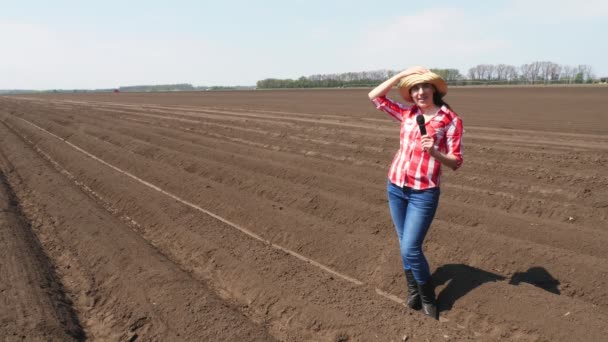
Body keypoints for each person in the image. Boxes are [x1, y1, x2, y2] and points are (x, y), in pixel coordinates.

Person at [368, 66, 464, 320]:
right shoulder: (408, 114)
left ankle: (428, 295)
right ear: (410, 93)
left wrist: (435, 153)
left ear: (434, 89)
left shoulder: (450, 120)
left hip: (424, 192)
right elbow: (374, 97)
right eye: (415, 88)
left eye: (425, 86)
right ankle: (413, 290)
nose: (420, 92)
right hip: (396, 185)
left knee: (411, 247)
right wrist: (401, 75)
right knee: (404, 244)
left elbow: (456, 162)